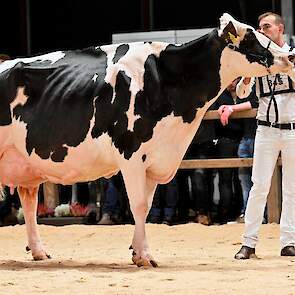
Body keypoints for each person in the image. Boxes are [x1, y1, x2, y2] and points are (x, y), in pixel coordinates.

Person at [234, 12, 295, 259]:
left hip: (293, 128)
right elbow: (240, 92)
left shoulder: (292, 54)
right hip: (266, 129)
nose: (262, 31)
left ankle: (288, 241)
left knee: (292, 188)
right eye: (260, 27)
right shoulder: (257, 60)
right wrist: (248, 74)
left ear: (280, 29)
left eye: (267, 26)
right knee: (259, 185)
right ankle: (249, 242)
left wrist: (288, 64)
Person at [217, 88, 259, 223]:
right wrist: (230, 108)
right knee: (246, 182)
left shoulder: (256, 84)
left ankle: (260, 215)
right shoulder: (243, 89)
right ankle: (247, 213)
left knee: (259, 182)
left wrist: (232, 108)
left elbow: (256, 101)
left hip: (259, 137)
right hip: (246, 138)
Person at [214, 78, 244, 224]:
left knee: (240, 178)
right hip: (224, 139)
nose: (232, 83)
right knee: (225, 178)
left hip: (242, 138)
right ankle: (224, 213)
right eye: (230, 80)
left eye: (235, 80)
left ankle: (239, 211)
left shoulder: (243, 94)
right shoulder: (220, 96)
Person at [177, 119, 216, 225]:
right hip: (183, 140)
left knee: (199, 177)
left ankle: (202, 213)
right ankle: (184, 213)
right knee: (180, 177)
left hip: (203, 141)